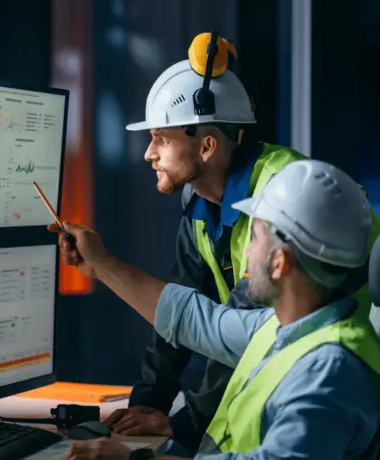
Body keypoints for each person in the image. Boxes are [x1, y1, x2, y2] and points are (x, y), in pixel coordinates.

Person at [52, 159, 380, 460]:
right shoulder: (287, 327)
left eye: (255, 237)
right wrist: (102, 266)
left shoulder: (329, 371)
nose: (247, 252)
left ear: (279, 263)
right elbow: (198, 321)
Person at [96, 31, 310, 453]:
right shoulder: (200, 202)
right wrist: (148, 405)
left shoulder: (281, 197)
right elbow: (179, 305)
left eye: (161, 139)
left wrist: (185, 421)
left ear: (207, 145)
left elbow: (238, 332)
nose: (148, 154)